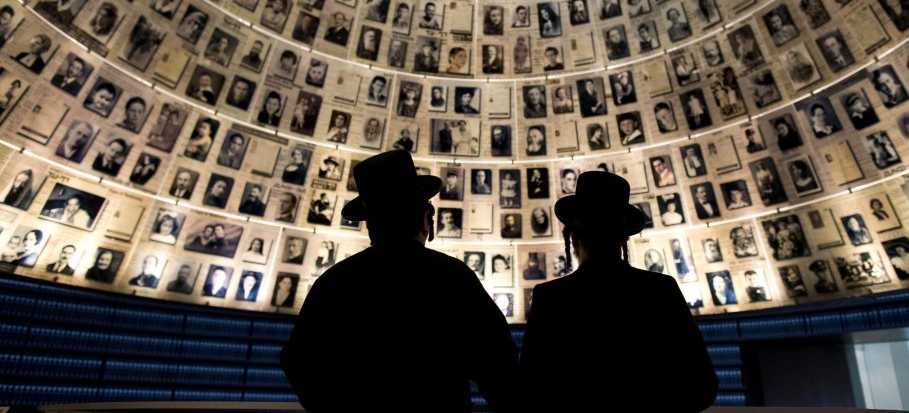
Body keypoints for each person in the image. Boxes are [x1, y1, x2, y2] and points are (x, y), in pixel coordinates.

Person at [281, 151, 517, 411]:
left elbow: (299, 363)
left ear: (370, 224)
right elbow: (498, 364)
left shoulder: (333, 282)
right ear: (425, 220)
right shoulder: (454, 277)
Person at [519, 171, 717, 410]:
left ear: (573, 238)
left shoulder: (550, 297)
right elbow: (703, 385)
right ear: (624, 239)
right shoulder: (661, 290)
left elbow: (529, 390)